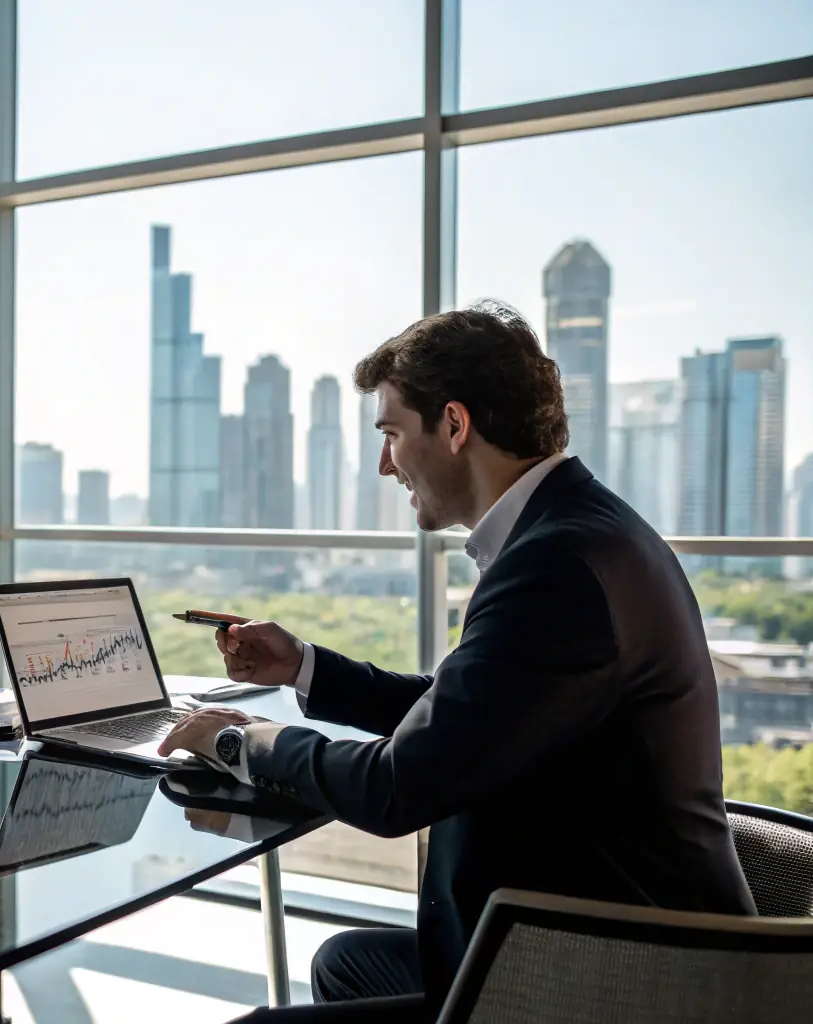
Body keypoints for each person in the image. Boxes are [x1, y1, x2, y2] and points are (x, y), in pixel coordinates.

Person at [159, 301, 756, 1021]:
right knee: (345, 963)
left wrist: (241, 742)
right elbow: (470, 713)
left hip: (618, 982)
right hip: (584, 937)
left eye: (391, 434)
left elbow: (397, 788)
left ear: (453, 424)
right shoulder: (576, 530)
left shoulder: (557, 565)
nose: (385, 464)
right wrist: (303, 667)